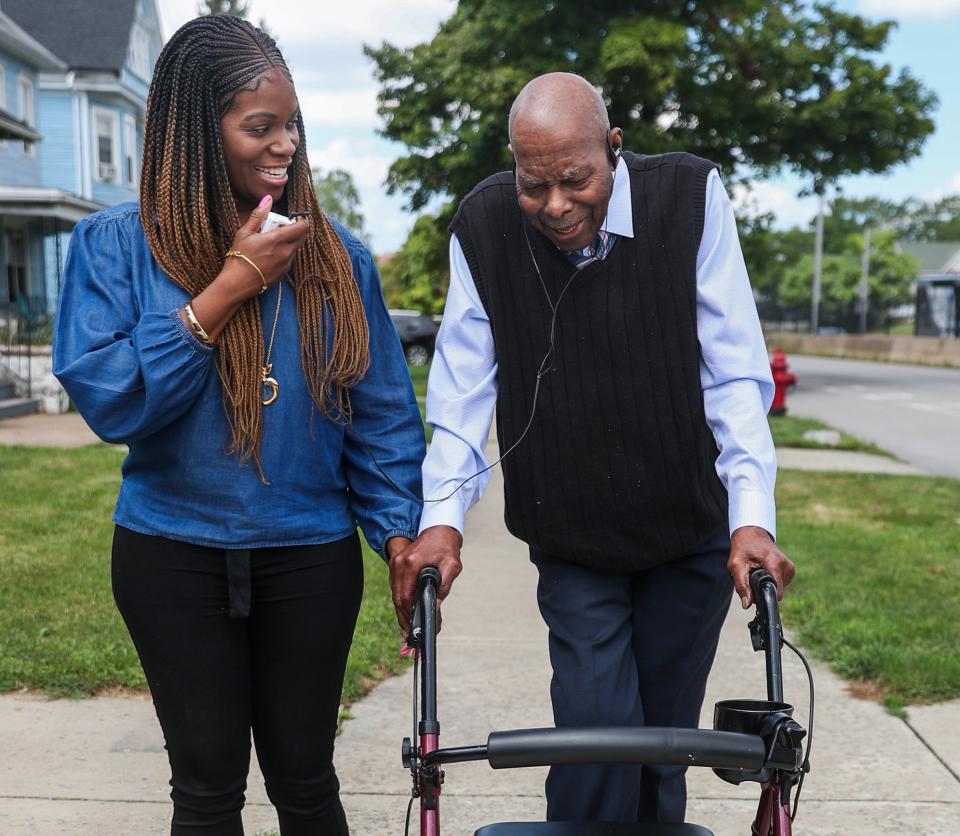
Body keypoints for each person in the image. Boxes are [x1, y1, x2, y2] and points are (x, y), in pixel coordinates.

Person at [388, 72, 795, 825]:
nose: (554, 206)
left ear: (614, 149)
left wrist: (751, 519)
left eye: (575, 180)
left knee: (661, 744)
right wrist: (440, 521)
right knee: (593, 732)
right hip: (571, 532)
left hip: (686, 532)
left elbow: (734, 375)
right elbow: (461, 394)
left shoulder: (690, 198)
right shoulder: (481, 226)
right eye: (532, 183)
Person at [53, 15, 424, 836]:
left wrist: (401, 535)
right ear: (196, 131)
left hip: (308, 555)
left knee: (306, 780)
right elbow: (113, 402)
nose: (285, 143)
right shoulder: (115, 248)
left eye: (292, 123)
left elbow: (382, 418)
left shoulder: (338, 261)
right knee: (208, 790)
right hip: (170, 554)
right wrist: (229, 287)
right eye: (260, 126)